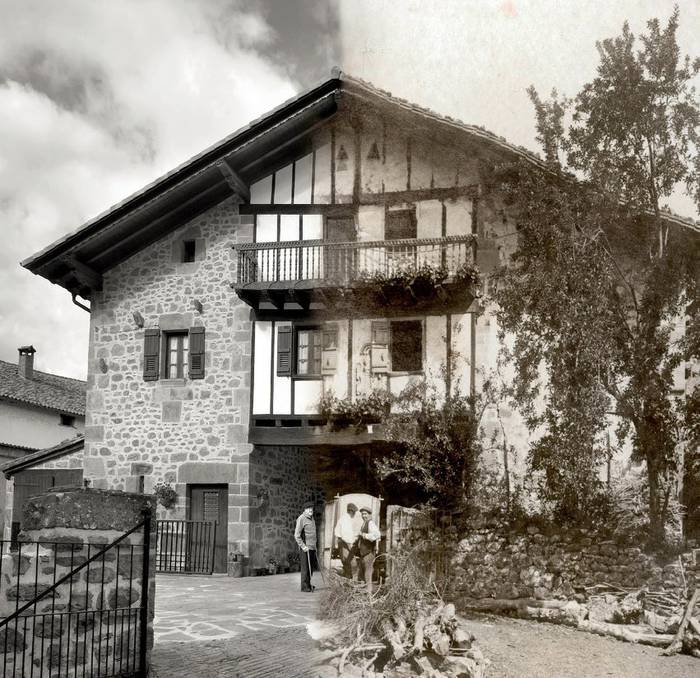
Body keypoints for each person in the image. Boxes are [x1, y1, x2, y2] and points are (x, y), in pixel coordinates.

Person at [356, 506, 381, 594]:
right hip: (363, 553)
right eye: (362, 514)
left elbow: (377, 535)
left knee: (368, 573)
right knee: (363, 573)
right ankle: (366, 592)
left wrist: (363, 535)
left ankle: (369, 593)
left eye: (365, 514)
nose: (363, 516)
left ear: (370, 515)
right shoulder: (364, 523)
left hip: (368, 553)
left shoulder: (371, 523)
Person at [294, 501, 317, 592]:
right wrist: (303, 546)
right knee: (305, 568)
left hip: (312, 547)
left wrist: (315, 545)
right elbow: (297, 535)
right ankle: (304, 587)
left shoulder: (312, 518)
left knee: (311, 568)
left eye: (311, 508)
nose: (310, 510)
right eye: (308, 508)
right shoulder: (301, 518)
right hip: (305, 548)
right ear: (304, 510)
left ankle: (308, 584)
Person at [334, 502, 360, 579]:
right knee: (352, 563)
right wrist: (350, 546)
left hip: (343, 542)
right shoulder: (346, 519)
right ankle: (353, 580)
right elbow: (345, 535)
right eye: (354, 512)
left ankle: (348, 579)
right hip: (344, 543)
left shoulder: (344, 518)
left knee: (347, 563)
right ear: (351, 511)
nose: (355, 514)